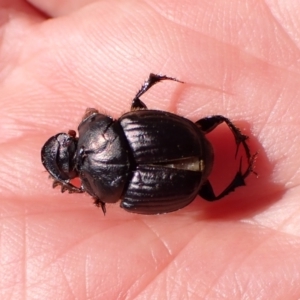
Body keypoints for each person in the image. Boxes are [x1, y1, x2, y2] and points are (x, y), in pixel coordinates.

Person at [1, 0, 299, 299]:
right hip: (181, 141)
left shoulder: (120, 196)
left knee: (204, 181)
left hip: (180, 181)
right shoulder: (119, 128)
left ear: (77, 177)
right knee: (190, 119)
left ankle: (240, 177)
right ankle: (239, 166)